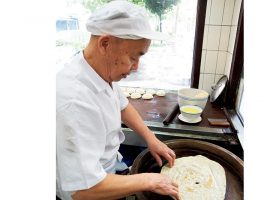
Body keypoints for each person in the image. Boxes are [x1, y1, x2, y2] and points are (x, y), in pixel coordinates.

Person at [56, 1, 179, 200]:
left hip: (109, 169)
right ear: (105, 44)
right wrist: (150, 181)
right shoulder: (74, 101)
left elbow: (122, 105)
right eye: (133, 57)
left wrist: (151, 139)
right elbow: (82, 190)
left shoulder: (98, 70)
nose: (136, 67)